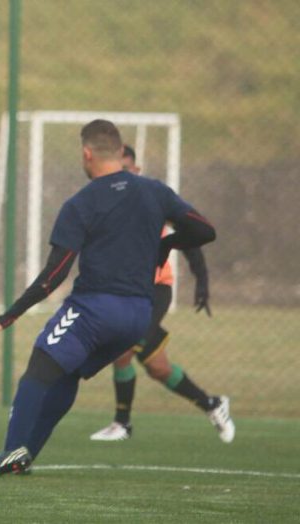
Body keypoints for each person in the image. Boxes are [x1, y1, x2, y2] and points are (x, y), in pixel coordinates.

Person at [0, 120, 216, 477]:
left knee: (39, 369)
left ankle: (11, 452)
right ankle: (24, 458)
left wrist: (5, 318)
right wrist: (168, 243)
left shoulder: (81, 203)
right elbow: (204, 230)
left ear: (87, 154)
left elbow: (53, 276)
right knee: (66, 374)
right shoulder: (155, 192)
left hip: (94, 310)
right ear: (121, 153)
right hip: (137, 318)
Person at [89, 146, 232, 443]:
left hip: (156, 288)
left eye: (127, 170)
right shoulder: (105, 203)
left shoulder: (151, 198)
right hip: (126, 289)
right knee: (157, 367)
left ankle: (122, 423)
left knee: (123, 347)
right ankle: (212, 404)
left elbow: (191, 236)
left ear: (136, 170)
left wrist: (202, 280)